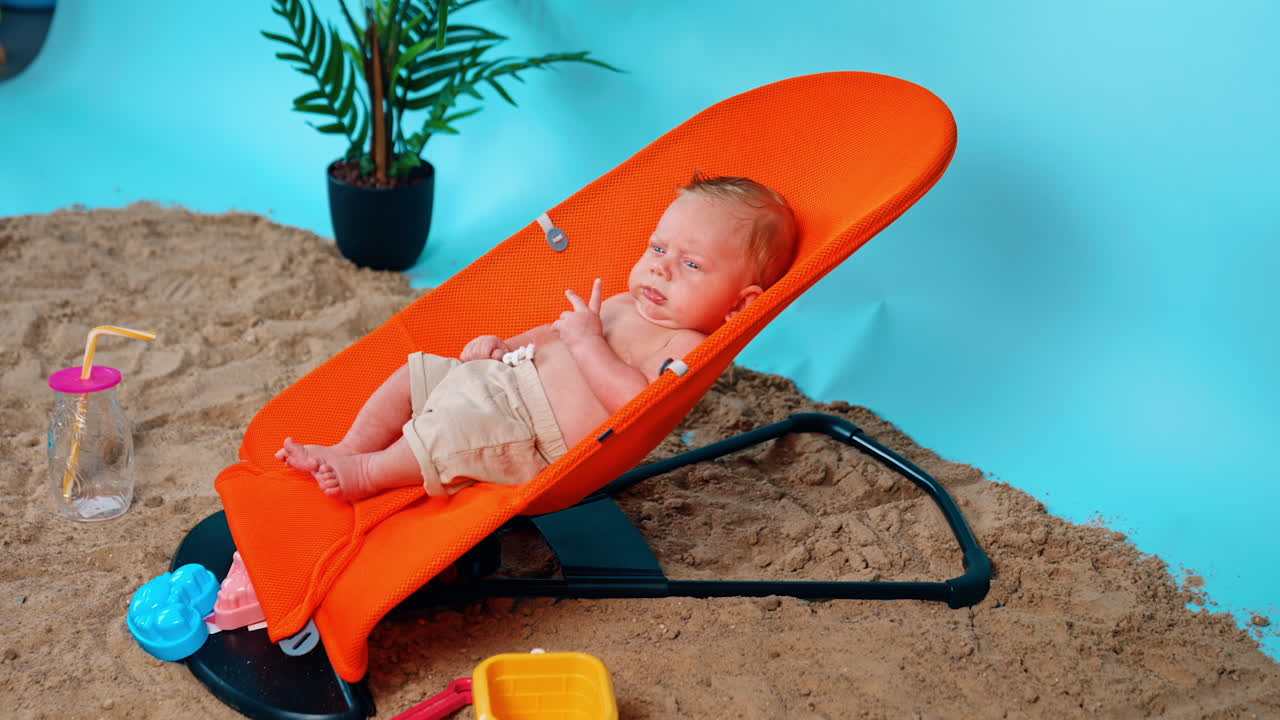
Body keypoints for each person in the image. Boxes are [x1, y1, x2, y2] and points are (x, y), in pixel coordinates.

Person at [277, 172, 798, 501]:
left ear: (741, 304)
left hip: (529, 434)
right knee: (414, 371)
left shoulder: (683, 346)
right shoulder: (622, 302)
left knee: (453, 434)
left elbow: (641, 407)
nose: (661, 270)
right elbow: (552, 333)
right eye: (658, 249)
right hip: (504, 382)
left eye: (690, 263)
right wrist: (499, 348)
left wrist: (588, 343)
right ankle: (349, 446)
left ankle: (367, 473)